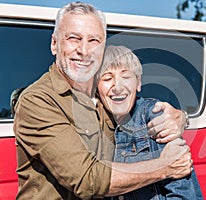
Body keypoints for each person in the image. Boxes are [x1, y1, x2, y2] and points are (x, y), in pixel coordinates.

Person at [13, 2, 192, 199]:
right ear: (54, 44)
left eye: (94, 40)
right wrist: (164, 166)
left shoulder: (107, 96)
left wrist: (180, 117)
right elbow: (87, 180)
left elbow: (145, 111)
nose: (84, 50)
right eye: (74, 38)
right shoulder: (37, 101)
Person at [97, 45, 203, 200]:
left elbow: (184, 194)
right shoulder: (90, 123)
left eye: (126, 77)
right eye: (107, 78)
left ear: (138, 84)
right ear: (96, 87)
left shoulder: (154, 116)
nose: (117, 87)